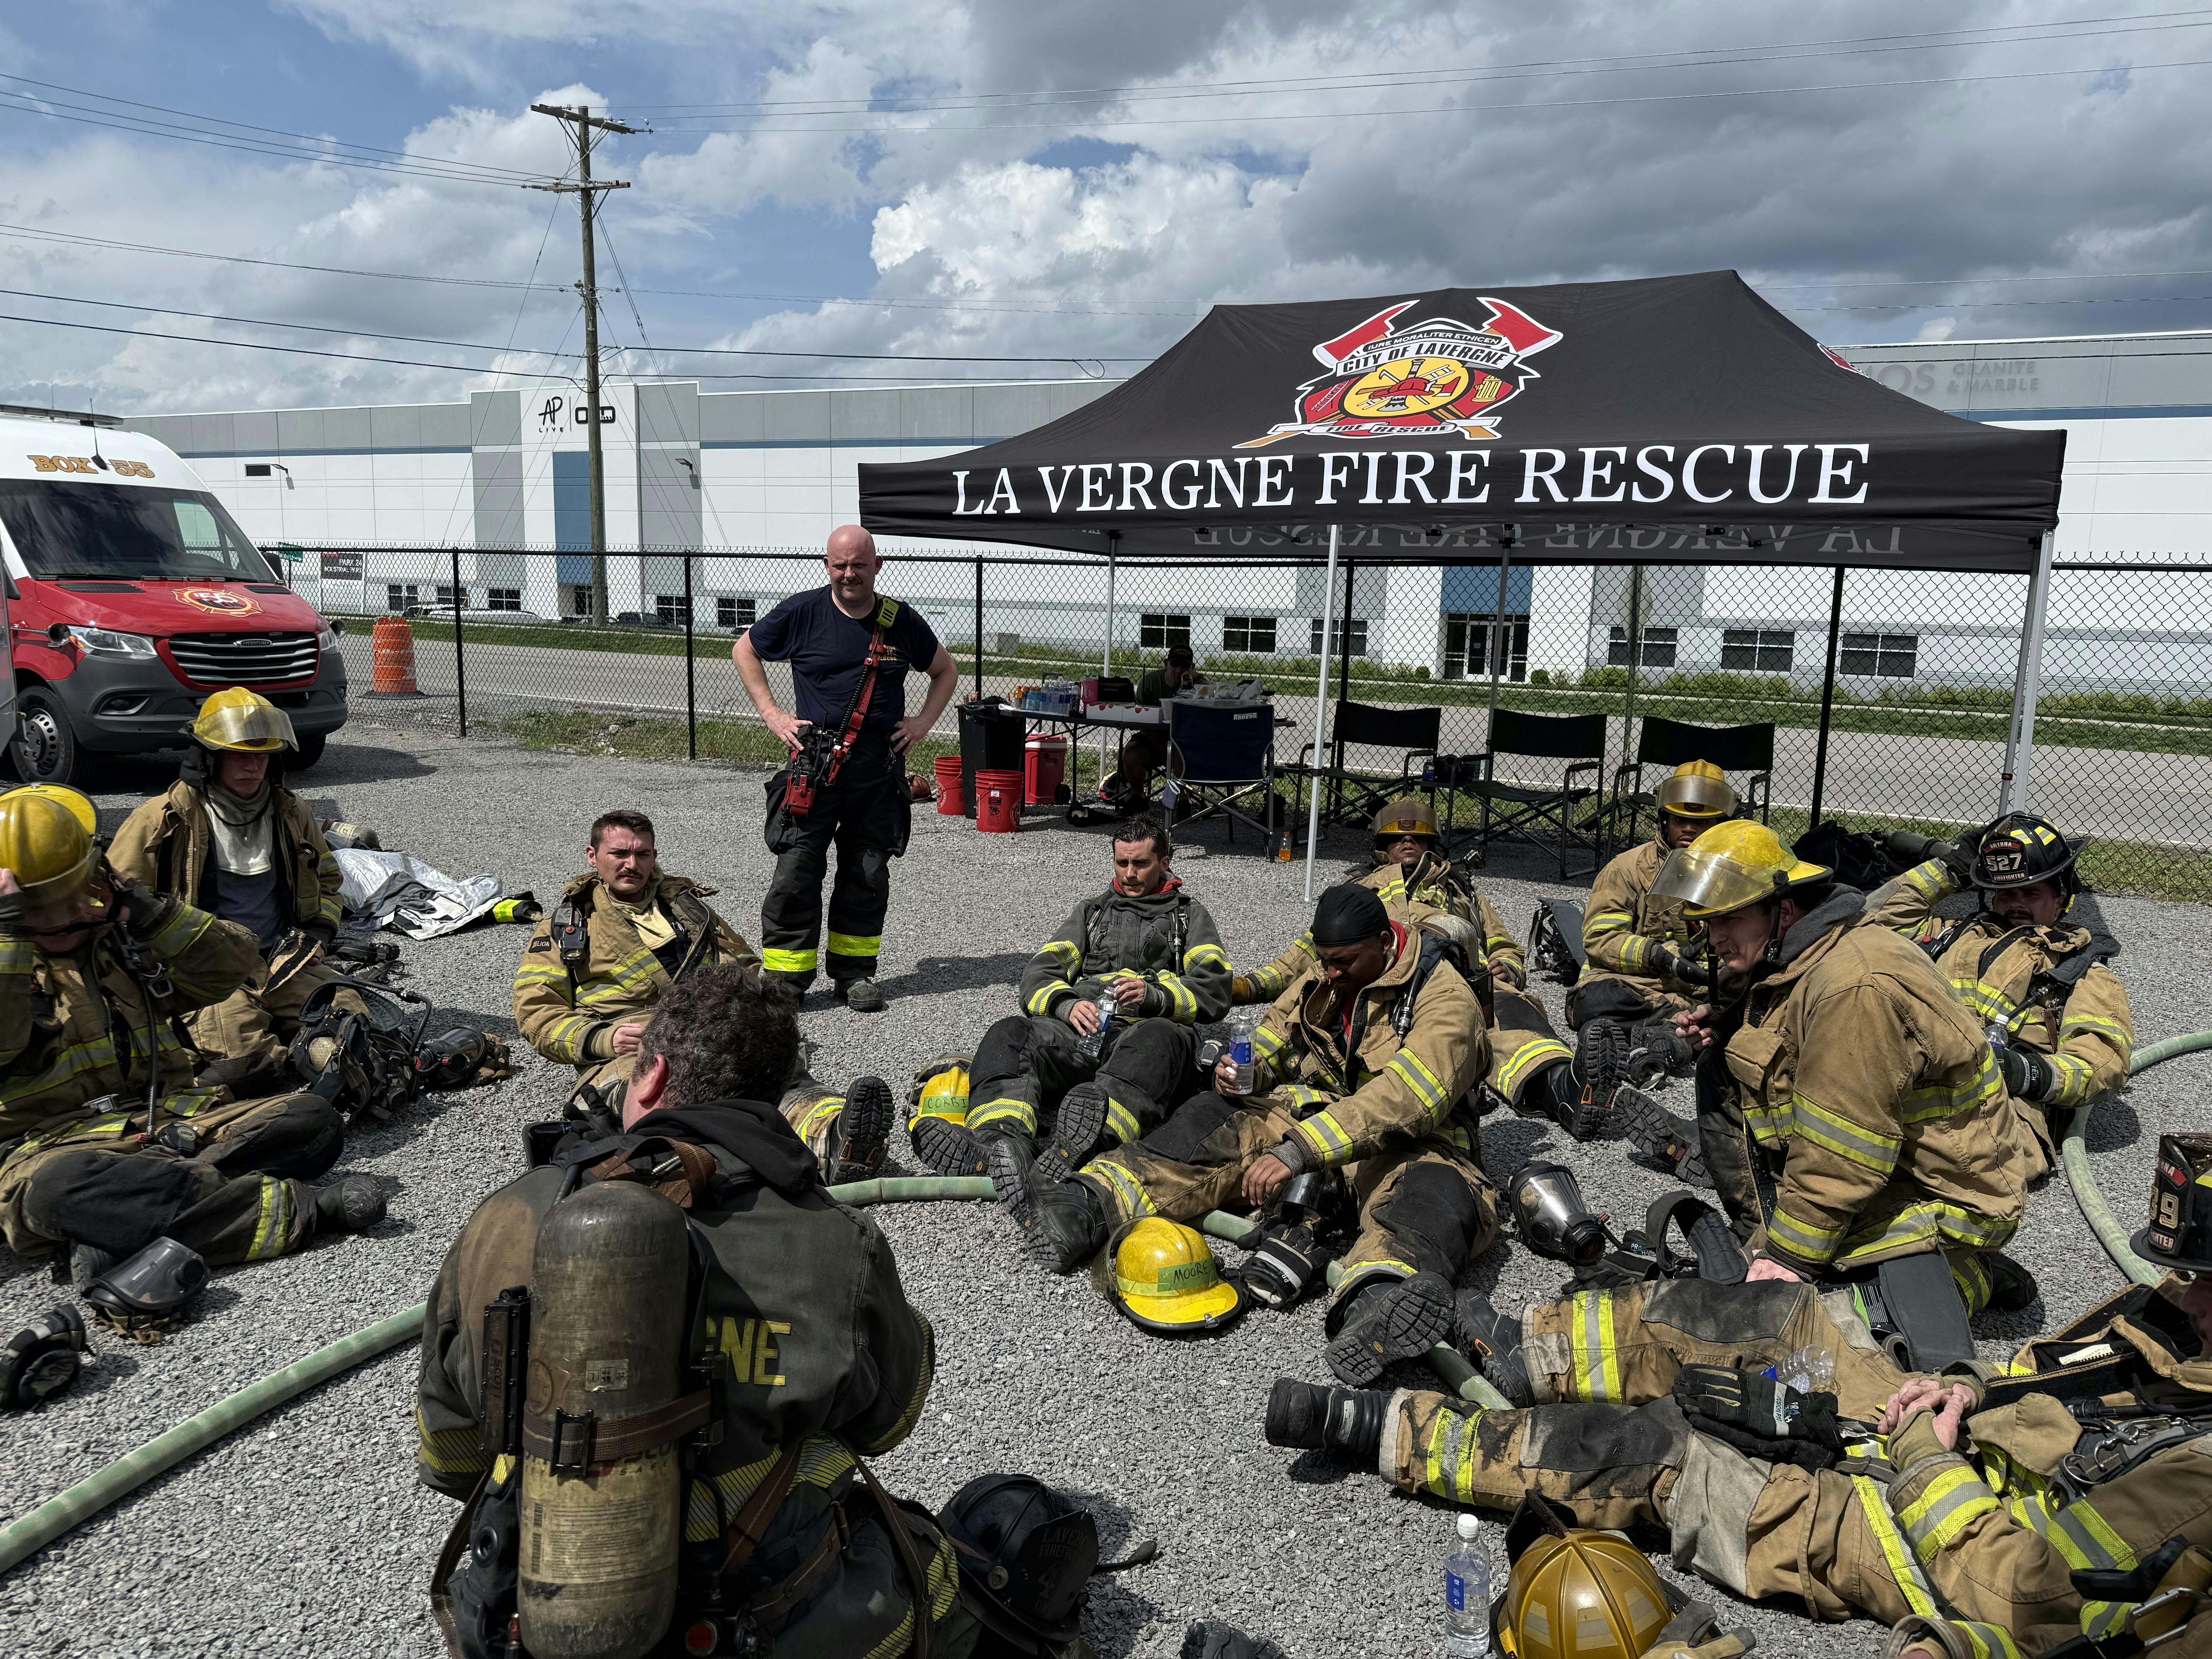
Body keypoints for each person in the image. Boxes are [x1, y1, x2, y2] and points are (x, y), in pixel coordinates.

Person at [1267, 1140, 2212, 1659]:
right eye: (2186, 1274)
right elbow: (2048, 1377)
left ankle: (1393, 1434)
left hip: (1903, 1532)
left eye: (2205, 1279)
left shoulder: (2201, 1480)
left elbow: (2032, 1601)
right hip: (1931, 1434)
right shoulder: (2174, 1313)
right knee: (1780, 1316)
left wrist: (1923, 1456)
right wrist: (1958, 1388)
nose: (2182, 1292)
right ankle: (1520, 1351)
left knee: (1660, 1459)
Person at [419, 964, 987, 1659]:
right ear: (778, 1097)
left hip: (528, 1611)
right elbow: (887, 1421)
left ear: (650, 1076)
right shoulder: (837, 1239)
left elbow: (451, 1452)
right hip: (750, 1615)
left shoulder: (508, 1214)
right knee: (937, 1574)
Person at [996, 882, 1495, 1388]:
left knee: (1428, 1197)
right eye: (1325, 961)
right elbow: (1274, 1039)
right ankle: (1088, 1202)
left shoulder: (1446, 999)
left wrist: (1296, 1153)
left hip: (1413, 1142)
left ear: (1386, 945)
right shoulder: (1326, 975)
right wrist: (1245, 1070)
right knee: (1215, 1120)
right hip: (1319, 1117)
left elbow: (1407, 1101)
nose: (1332, 974)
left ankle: (1378, 1302)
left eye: (1345, 962)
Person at [1654, 820, 2039, 1332]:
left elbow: (1843, 1149)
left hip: (1947, 1195)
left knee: (1837, 1321)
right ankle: (1775, 1233)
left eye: (1728, 920)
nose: (1714, 937)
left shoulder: (1855, 989)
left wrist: (1789, 1261)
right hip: (1894, 1167)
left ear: (1784, 909)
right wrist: (1734, 1019)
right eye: (1706, 922)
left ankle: (1968, 1272)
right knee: (1723, 1065)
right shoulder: (1813, 944)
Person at [0, 786, 382, 1295]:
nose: (73, 906)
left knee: (314, 1122)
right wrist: (8, 943)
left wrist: (150, 911)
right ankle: (300, 1212)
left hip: (167, 1125)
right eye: (51, 899)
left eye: (79, 886)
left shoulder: (117, 940)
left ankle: (126, 1223)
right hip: (51, 1152)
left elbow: (234, 966)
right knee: (57, 1193)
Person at [511, 811, 889, 1184]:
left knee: (779, 1075)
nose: (632, 864)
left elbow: (743, 967)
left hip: (708, 1032)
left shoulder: (687, 909)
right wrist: (600, 1038)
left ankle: (837, 1136)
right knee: (661, 1097)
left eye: (643, 854)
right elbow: (537, 1012)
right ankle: (704, 1162)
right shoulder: (568, 927)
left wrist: (757, 1024)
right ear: (593, 857)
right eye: (620, 854)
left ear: (655, 857)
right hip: (631, 1052)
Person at [1231, 796, 1614, 1137]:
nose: (1408, 843)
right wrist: (1245, 987)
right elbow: (1304, 956)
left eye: (1418, 838)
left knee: (1510, 1017)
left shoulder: (1461, 891)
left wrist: (1507, 967)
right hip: (1388, 980)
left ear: (1434, 846)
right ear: (1381, 848)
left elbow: (1502, 942)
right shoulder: (1360, 894)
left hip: (1463, 976)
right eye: (1397, 838)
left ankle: (1564, 1087)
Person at [911, 815, 1230, 1183]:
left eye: (1141, 864)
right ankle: (999, 1143)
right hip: (1084, 1035)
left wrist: (1155, 996)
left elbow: (1215, 989)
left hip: (1148, 1035)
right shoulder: (1092, 914)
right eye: (1122, 862)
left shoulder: (1189, 917)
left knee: (1158, 1039)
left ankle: (1088, 1146)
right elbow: (1038, 973)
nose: (1129, 874)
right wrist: (1066, 1005)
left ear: (1165, 863)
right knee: (1011, 1033)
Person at [734, 525, 960, 1011]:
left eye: (859, 564)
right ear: (827, 566)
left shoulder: (901, 620)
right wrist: (772, 713)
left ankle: (854, 974)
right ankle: (787, 980)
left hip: (878, 772)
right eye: (840, 565)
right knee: (796, 872)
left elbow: (946, 670)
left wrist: (922, 722)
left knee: (867, 874)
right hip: (815, 769)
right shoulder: (802, 613)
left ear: (877, 566)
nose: (849, 574)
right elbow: (744, 649)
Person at [107, 687, 361, 1092]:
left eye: (262, 755)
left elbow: (329, 882)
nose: (253, 767)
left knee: (357, 1023)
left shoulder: (292, 813)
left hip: (281, 960)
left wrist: (318, 935)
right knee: (248, 1066)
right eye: (240, 755)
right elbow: (118, 906)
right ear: (208, 758)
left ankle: (313, 1045)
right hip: (204, 973)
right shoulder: (161, 821)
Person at [1869, 814, 2134, 1179]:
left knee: (1944, 1159)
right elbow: (1871, 920)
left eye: (2032, 893)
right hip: (1915, 1078)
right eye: (2007, 894)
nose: (2017, 903)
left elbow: (2103, 1066)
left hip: (2000, 1107)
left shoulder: (2083, 973)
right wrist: (1951, 869)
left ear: (2060, 901)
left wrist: (2021, 1071)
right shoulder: (1954, 934)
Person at [1568, 761, 1735, 1082]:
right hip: (1634, 987)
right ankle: (1680, 1034)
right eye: (1679, 820)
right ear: (1664, 820)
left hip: (1700, 994)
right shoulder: (1627, 869)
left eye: (1701, 823)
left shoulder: (1737, 875)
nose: (1688, 829)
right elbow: (1600, 938)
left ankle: (1671, 1036)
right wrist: (1658, 956)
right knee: (1594, 1002)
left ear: (1721, 825)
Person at [1103, 644, 1204, 804]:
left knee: (1179, 753)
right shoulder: (1150, 682)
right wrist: (1165, 753)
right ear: (1166, 664)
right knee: (1130, 754)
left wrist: (1193, 687)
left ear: (1192, 668)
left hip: (1186, 742)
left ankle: (1184, 798)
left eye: (1185, 666)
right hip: (1152, 739)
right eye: (1175, 664)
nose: (1178, 670)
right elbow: (1141, 722)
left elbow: (1204, 721)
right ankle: (1138, 797)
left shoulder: (1200, 684)